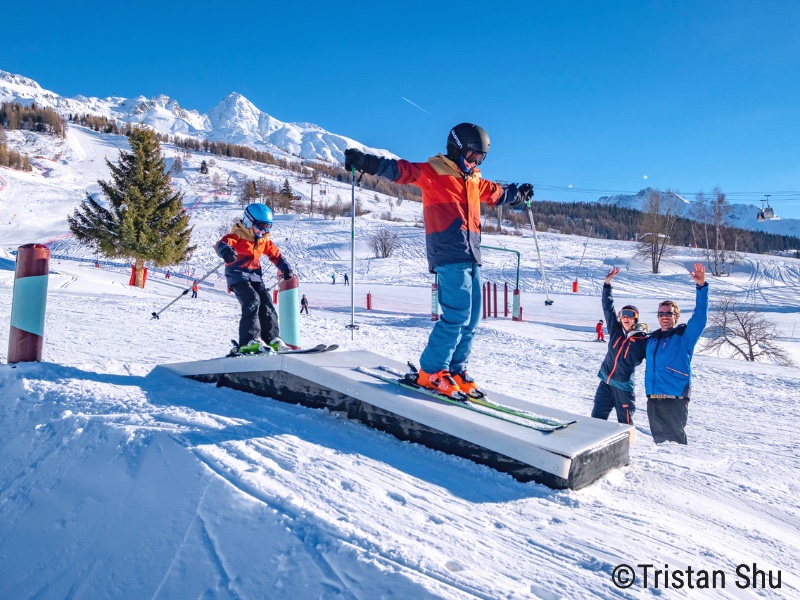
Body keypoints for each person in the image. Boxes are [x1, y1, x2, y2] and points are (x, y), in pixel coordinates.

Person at [345, 123, 533, 398]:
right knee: (456, 315)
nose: (475, 162)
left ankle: (455, 369)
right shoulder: (434, 172)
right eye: (471, 156)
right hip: (448, 251)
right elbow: (400, 170)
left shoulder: (474, 180)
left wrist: (518, 193)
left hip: (471, 254)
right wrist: (366, 162)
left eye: (480, 159)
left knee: (472, 319)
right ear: (455, 149)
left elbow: (497, 194)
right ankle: (432, 370)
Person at [215, 203, 294, 353]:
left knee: (267, 304)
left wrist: (285, 267)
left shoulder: (264, 240)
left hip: (255, 277)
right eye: (261, 226)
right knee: (252, 300)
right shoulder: (237, 235)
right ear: (248, 221)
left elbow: (275, 254)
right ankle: (248, 341)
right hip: (237, 275)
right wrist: (226, 251)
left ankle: (271, 339)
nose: (264, 231)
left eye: (268, 227)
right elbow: (221, 244)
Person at [645, 262, 709, 445]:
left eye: (669, 313)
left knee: (676, 443)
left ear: (676, 317)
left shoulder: (684, 336)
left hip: (675, 397)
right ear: (658, 317)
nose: (665, 316)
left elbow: (700, 318)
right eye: (661, 313)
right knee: (660, 444)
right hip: (653, 397)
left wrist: (701, 287)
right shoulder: (652, 339)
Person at [591, 267, 648, 425]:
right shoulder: (616, 331)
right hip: (605, 384)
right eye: (623, 314)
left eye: (629, 315)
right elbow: (608, 308)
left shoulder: (642, 340)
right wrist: (607, 284)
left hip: (623, 389)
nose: (625, 317)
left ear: (635, 319)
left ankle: (626, 449)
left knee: (625, 426)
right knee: (595, 421)